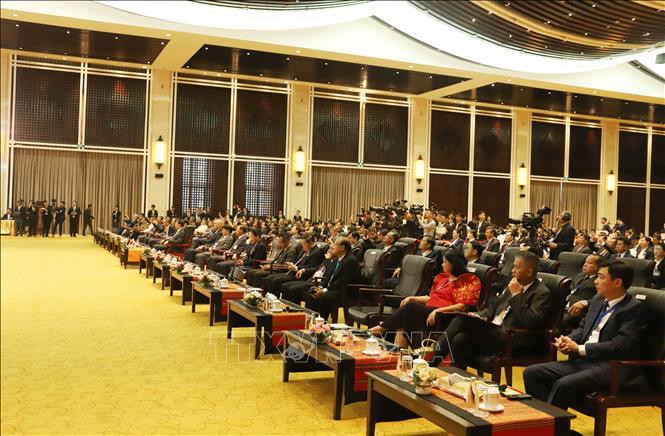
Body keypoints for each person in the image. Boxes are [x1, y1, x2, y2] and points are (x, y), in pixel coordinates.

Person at [524, 261, 648, 411]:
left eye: (601, 277)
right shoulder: (597, 300)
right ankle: (549, 421)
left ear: (617, 282)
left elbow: (620, 345)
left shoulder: (634, 309)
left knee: (564, 384)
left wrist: (580, 349)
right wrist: (569, 340)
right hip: (585, 361)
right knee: (532, 373)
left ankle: (554, 427)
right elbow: (583, 328)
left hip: (610, 366)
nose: (595, 281)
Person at [433, 251, 552, 370]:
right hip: (494, 331)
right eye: (513, 266)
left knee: (460, 320)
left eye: (516, 267)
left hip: (513, 339)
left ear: (529, 272)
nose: (512, 270)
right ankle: (456, 378)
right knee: (460, 338)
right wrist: (476, 315)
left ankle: (430, 362)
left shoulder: (542, 293)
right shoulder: (514, 284)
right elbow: (493, 309)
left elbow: (531, 321)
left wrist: (516, 296)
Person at [369, 250, 481, 349]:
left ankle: (380, 328)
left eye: (444, 262)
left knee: (410, 307)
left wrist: (437, 311)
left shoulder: (467, 280)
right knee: (405, 315)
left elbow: (462, 306)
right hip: (428, 311)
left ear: (453, 264)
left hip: (445, 316)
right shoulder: (443, 278)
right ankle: (399, 353)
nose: (442, 265)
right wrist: (412, 297)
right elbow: (431, 298)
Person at [305, 237, 360, 320]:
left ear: (342, 248)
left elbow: (342, 281)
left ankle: (322, 322)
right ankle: (311, 320)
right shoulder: (337, 258)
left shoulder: (350, 260)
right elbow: (327, 276)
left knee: (324, 296)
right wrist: (320, 287)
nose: (332, 246)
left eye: (335, 244)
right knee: (312, 292)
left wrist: (324, 290)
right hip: (333, 288)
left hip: (344, 291)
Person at [561, 254, 601, 332]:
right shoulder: (580, 275)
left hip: (579, 311)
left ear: (598, 266)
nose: (585, 265)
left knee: (559, 322)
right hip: (564, 305)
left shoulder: (599, 280)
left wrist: (584, 303)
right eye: (585, 262)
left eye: (589, 263)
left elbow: (602, 298)